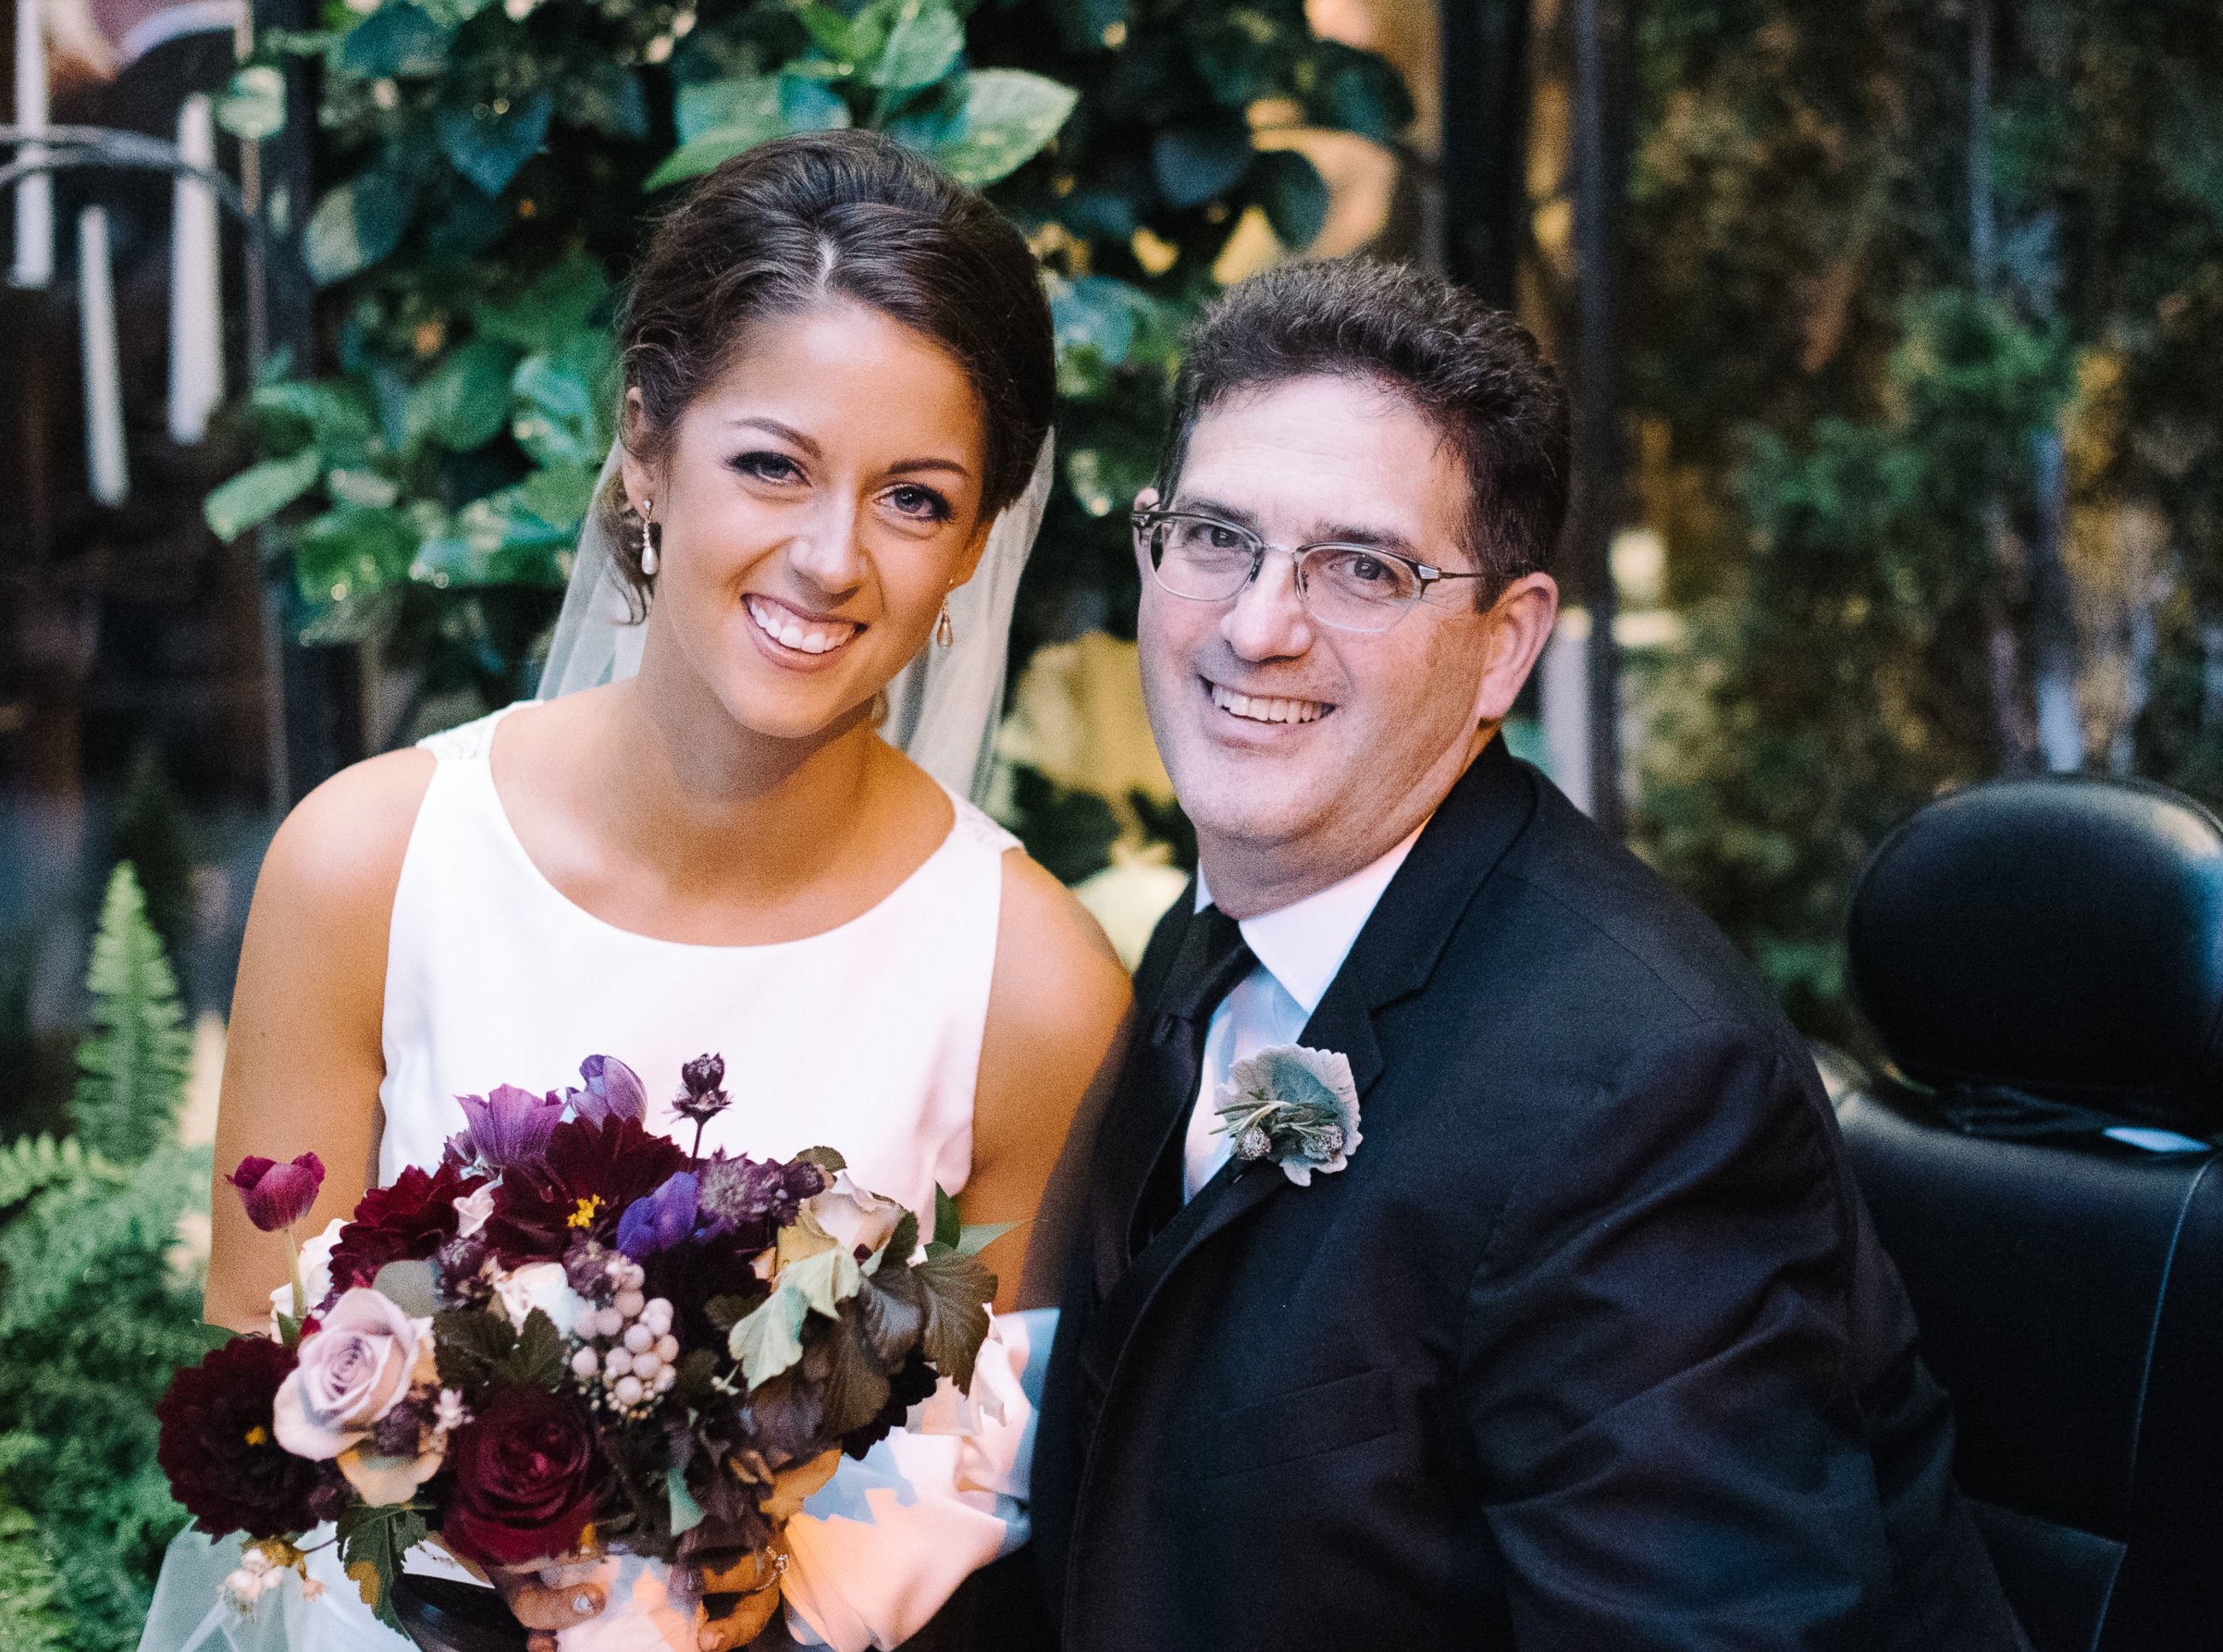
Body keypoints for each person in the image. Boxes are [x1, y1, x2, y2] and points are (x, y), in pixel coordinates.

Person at [154, 131, 1130, 1652]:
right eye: (771, 463)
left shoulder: (1038, 983)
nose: (830, 558)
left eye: (916, 500)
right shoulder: (365, 867)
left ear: (976, 552)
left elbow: (995, 1467)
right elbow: (257, 1416)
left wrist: (788, 1559)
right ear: (643, 446)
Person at [1025, 258, 2029, 1651]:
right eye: (1214, 537)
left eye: (1362, 567)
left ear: (1505, 647)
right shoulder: (1224, 936)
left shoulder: (1645, 1098)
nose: (1257, 624)